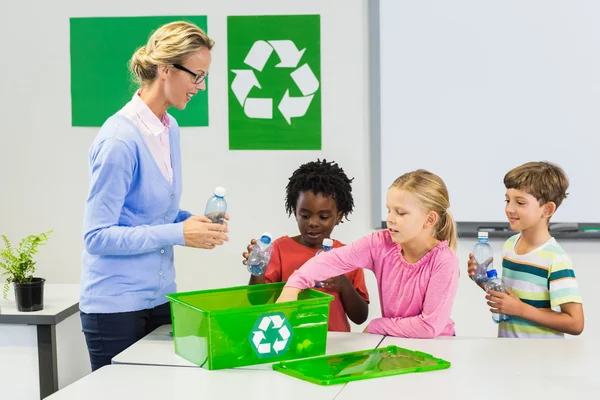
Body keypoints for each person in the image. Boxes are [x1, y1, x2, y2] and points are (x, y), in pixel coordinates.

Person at [79, 21, 228, 371]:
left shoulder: (168, 128)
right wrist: (179, 233)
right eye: (196, 75)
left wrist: (191, 222)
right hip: (114, 308)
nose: (200, 86)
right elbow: (97, 236)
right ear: (165, 69)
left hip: (160, 299)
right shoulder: (119, 140)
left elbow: (150, 213)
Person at [276, 169, 459, 338]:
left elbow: (428, 327)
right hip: (397, 341)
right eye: (389, 210)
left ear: (429, 219)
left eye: (401, 213)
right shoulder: (380, 244)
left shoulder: (443, 261)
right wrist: (294, 285)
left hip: (438, 344)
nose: (390, 218)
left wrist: (376, 326)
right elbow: (332, 260)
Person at [242, 159, 369, 332]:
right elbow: (257, 301)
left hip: (334, 348)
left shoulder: (348, 255)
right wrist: (258, 267)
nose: (313, 223)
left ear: (339, 216)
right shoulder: (279, 249)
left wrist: (343, 285)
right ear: (295, 212)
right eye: (305, 215)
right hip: (287, 343)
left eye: (323, 217)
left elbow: (360, 317)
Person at [467, 161, 584, 338]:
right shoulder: (510, 246)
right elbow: (510, 300)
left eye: (520, 203)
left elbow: (576, 323)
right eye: (507, 200)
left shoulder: (556, 259)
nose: (509, 209)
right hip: (510, 352)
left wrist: (521, 310)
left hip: (540, 360)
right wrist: (481, 279)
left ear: (547, 209)